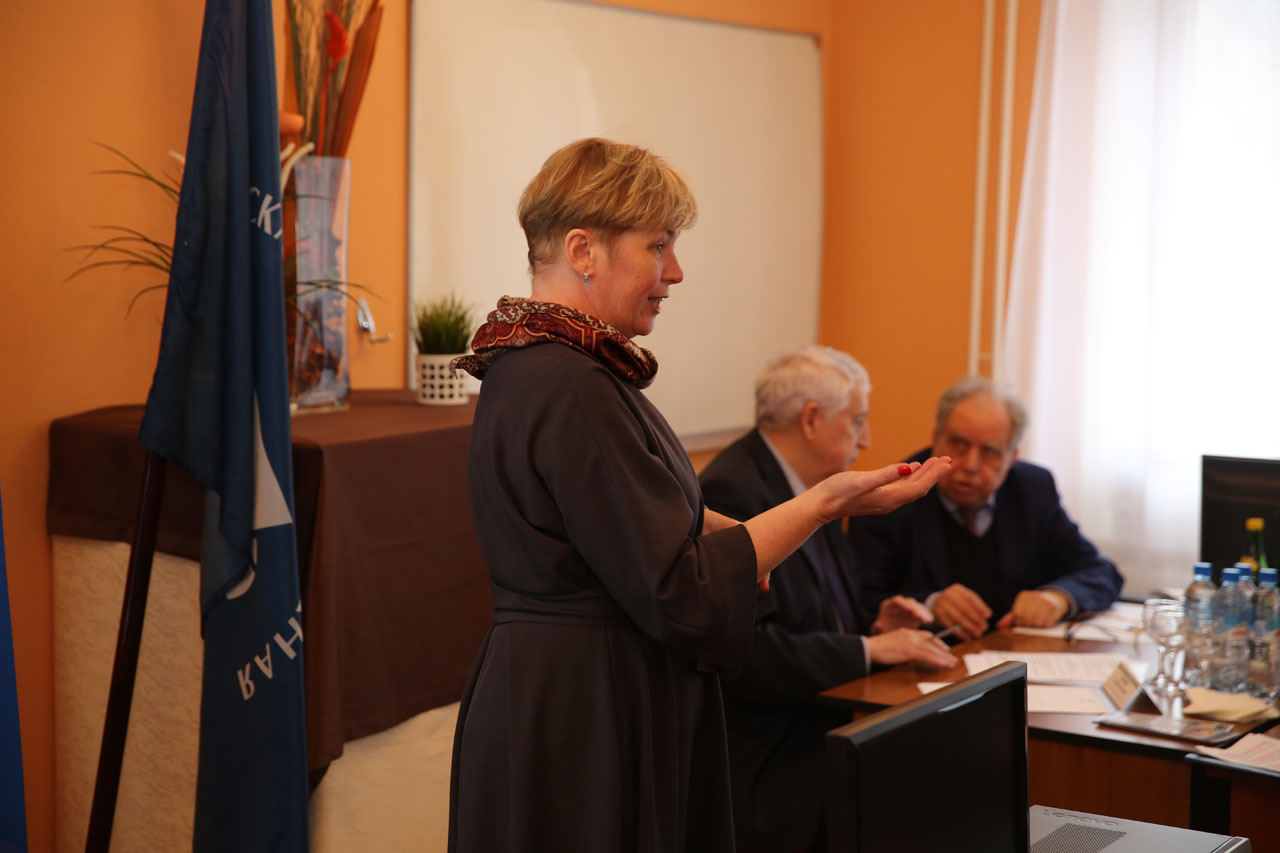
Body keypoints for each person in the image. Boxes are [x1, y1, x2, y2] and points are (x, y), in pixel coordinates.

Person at [446, 138, 951, 853]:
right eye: (658, 246)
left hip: (567, 688)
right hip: (586, 706)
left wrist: (754, 531)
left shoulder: (537, 364)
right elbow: (676, 585)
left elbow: (635, 515)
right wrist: (823, 503)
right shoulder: (570, 384)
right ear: (583, 251)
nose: (675, 272)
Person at [699, 345, 956, 853]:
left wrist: (874, 625)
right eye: (857, 421)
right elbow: (747, 653)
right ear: (812, 420)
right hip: (769, 758)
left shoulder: (814, 482)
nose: (867, 439)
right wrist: (866, 651)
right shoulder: (734, 491)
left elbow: (817, 611)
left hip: (821, 727)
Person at [851, 376, 1123, 640]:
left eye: (990, 451)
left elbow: (1100, 571)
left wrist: (1057, 599)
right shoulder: (890, 498)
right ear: (936, 439)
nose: (970, 465)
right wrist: (930, 605)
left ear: (1012, 458)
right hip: (923, 663)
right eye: (959, 444)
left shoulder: (1033, 490)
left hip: (1013, 656)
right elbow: (858, 603)